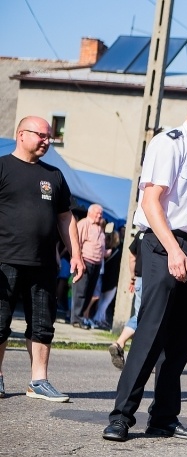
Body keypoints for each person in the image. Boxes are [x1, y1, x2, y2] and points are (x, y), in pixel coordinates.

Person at [102, 84, 187, 442]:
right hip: (165, 244)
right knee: (150, 333)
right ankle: (121, 416)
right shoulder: (169, 143)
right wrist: (174, 250)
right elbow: (152, 202)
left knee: (181, 342)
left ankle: (164, 417)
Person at [0, 116, 85, 401]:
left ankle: (38, 381)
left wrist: (76, 254)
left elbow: (65, 218)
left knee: (42, 324)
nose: (47, 141)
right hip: (5, 260)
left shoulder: (54, 175)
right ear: (21, 135)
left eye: (49, 136)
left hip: (44, 264)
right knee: (0, 322)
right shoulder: (2, 167)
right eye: (42, 135)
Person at [108, 229, 145, 369]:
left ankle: (121, 345)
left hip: (140, 279)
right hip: (154, 279)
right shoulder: (160, 232)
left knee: (139, 314)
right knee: (147, 318)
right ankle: (121, 343)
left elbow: (132, 257)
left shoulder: (140, 235)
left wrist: (133, 277)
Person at [71, 204, 105, 329]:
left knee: (89, 292)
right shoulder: (84, 224)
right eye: (97, 213)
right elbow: (76, 243)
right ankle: (76, 319)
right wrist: (78, 260)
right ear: (90, 212)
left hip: (96, 264)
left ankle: (82, 317)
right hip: (85, 261)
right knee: (80, 291)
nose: (100, 215)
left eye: (101, 213)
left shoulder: (99, 227)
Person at [92, 230, 122, 329]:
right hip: (113, 279)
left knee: (102, 300)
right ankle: (98, 318)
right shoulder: (119, 252)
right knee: (106, 301)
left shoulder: (106, 250)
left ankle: (101, 318)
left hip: (104, 277)